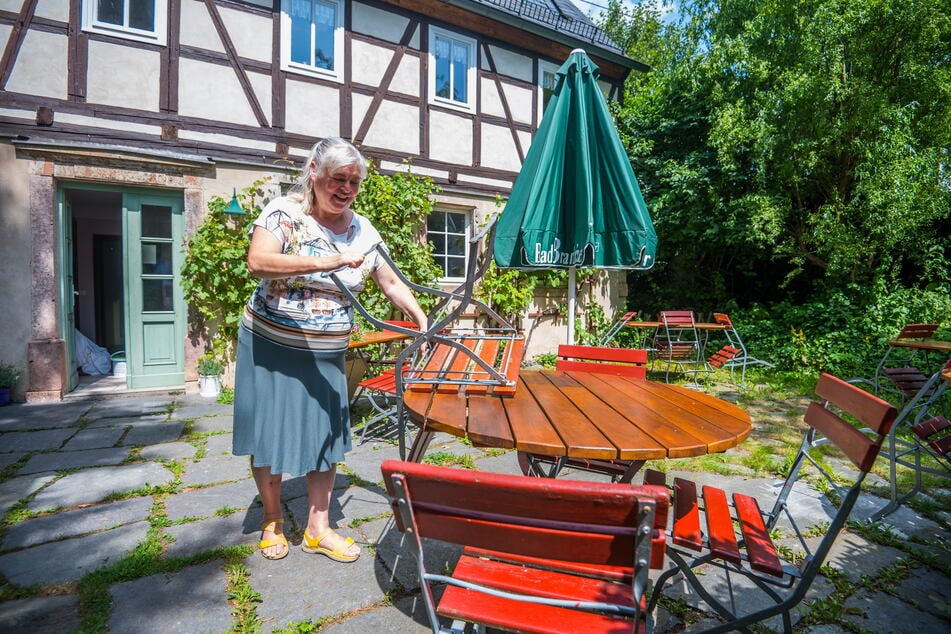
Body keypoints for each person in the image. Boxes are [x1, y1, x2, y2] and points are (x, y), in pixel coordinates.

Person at [233, 137, 428, 561]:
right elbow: (259, 262)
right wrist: (328, 261)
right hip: (272, 345)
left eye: (355, 182)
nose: (347, 190)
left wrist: (421, 318)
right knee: (269, 432)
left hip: (326, 352)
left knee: (326, 434)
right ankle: (273, 519)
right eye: (338, 179)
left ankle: (318, 529)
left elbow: (390, 281)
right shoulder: (284, 213)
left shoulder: (363, 229)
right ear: (315, 174)